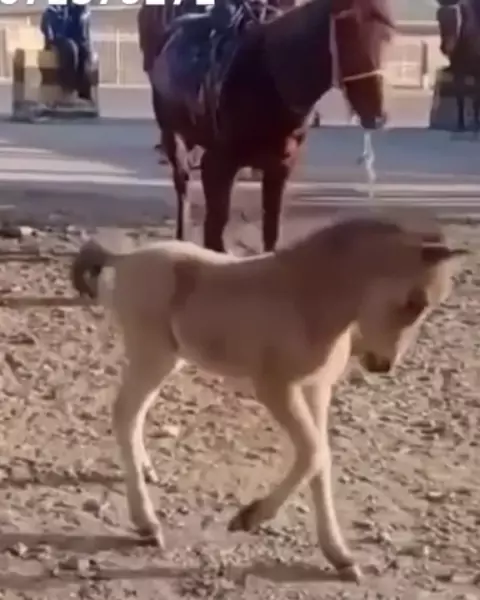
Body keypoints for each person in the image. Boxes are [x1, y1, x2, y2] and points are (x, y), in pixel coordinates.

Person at [40, 0, 93, 105]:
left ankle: (83, 93)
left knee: (84, 50)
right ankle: (67, 90)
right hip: (58, 39)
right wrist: (51, 35)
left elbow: (82, 26)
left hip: (73, 38)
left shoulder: (79, 7)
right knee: (71, 48)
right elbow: (47, 19)